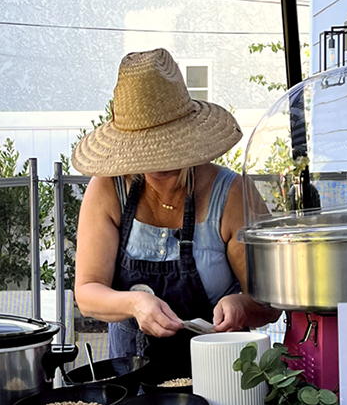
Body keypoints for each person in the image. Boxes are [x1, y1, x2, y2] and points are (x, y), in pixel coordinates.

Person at [71, 48, 281, 381]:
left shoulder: (232, 194)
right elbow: (87, 293)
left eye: (166, 146)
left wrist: (242, 305)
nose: (158, 163)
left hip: (220, 381)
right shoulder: (108, 190)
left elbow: (270, 302)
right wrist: (136, 304)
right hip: (130, 382)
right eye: (146, 149)